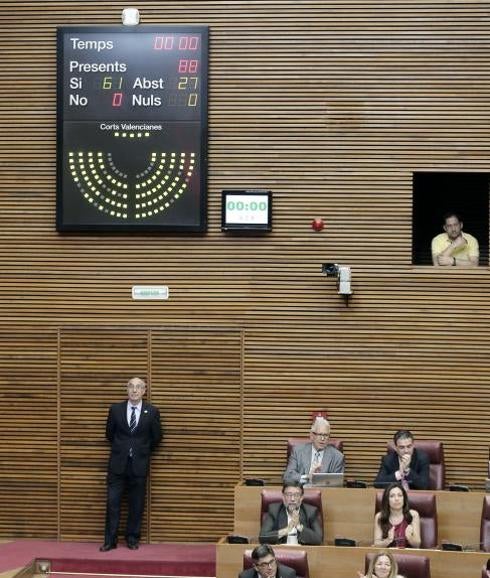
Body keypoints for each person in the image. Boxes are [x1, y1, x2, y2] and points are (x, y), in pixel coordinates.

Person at [100, 376, 162, 551]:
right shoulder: (115, 409)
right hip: (117, 465)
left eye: (138, 387)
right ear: (127, 390)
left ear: (144, 391)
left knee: (136, 504)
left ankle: (132, 539)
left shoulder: (152, 411)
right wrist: (124, 448)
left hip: (139, 465)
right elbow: (109, 434)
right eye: (131, 387)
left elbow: (156, 437)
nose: (134, 390)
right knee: (112, 503)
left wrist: (140, 449)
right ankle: (110, 541)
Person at [283, 417, 344, 484]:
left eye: (326, 435)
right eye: (320, 434)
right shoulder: (298, 451)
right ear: (312, 435)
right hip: (302, 492)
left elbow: (337, 484)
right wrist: (307, 477)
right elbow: (288, 477)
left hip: (326, 493)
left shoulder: (337, 457)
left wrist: (318, 479)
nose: (323, 438)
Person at [373, 483, 421, 549]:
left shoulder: (413, 515)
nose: (396, 499)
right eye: (392, 496)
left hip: (408, 556)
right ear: (387, 500)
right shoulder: (380, 516)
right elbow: (376, 545)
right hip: (388, 556)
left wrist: (410, 538)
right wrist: (388, 540)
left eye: (400, 495)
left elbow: (417, 545)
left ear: (404, 498)